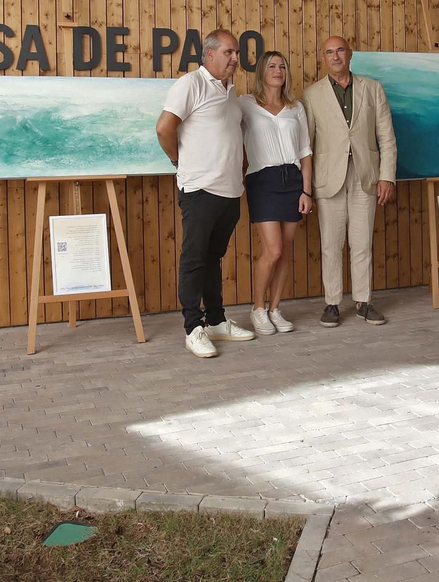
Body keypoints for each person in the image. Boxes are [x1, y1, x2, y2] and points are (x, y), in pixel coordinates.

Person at [156, 29, 258, 358]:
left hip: (229, 192)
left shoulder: (230, 91)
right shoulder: (190, 84)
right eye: (228, 52)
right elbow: (164, 127)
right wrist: (177, 161)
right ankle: (192, 327)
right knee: (194, 260)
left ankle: (216, 320)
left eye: (236, 52)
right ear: (209, 54)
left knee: (213, 259)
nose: (235, 58)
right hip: (199, 189)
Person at [303, 35, 397, 327]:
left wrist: (387, 177)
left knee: (362, 242)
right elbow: (307, 144)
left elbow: (386, 137)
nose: (335, 56)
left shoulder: (372, 88)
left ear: (350, 53)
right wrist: (305, 187)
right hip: (328, 177)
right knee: (331, 244)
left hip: (365, 175)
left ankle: (364, 301)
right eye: (329, 52)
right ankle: (332, 303)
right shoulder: (312, 94)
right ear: (323, 58)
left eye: (340, 50)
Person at [239, 51, 313, 335]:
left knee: (285, 253)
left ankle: (275, 309)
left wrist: (306, 191)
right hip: (262, 179)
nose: (278, 70)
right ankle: (258, 309)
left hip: (293, 180)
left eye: (282, 66)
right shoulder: (246, 103)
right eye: (272, 66)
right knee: (274, 249)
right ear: (262, 71)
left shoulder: (296, 108)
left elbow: (305, 152)